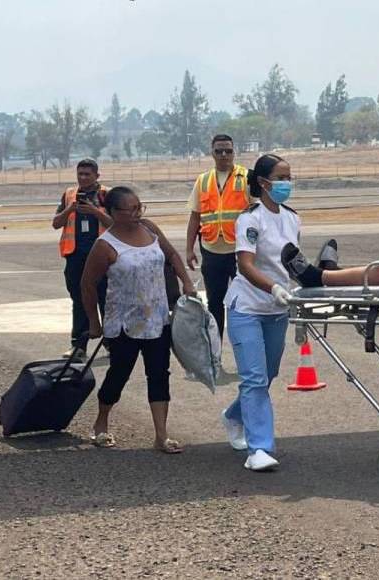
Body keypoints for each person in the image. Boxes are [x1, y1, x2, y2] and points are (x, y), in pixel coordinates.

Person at [81, 186, 196, 453]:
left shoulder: (150, 229)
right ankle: (101, 421)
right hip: (124, 324)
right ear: (111, 212)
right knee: (119, 374)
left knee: (159, 374)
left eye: (139, 207)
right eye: (129, 209)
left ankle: (161, 435)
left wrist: (187, 282)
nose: (136, 214)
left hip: (157, 319)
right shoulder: (105, 246)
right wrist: (93, 322)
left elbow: (172, 255)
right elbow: (87, 284)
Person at [220, 154, 301, 472]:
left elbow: (294, 263)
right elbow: (246, 264)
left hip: (276, 308)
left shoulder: (293, 218)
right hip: (248, 307)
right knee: (253, 378)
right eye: (281, 178)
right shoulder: (249, 219)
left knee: (267, 376)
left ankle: (233, 415)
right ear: (264, 182)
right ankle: (259, 449)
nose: (287, 183)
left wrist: (305, 285)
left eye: (290, 177)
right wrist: (273, 289)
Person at [185, 134, 250, 338]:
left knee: (244, 301)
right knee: (215, 303)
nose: (224, 155)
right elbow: (195, 217)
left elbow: (258, 214)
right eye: (219, 151)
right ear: (212, 153)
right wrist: (189, 249)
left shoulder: (247, 177)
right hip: (212, 251)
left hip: (240, 252)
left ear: (234, 152)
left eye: (228, 151)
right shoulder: (203, 181)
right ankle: (215, 352)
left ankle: (244, 348)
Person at [52, 159, 111, 362]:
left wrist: (95, 211)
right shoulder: (69, 195)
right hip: (75, 256)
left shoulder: (107, 195)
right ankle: (79, 345)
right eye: (80, 174)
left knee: (106, 299)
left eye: (87, 174)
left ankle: (111, 343)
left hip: (102, 257)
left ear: (97, 176)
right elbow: (55, 223)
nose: (83, 178)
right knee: (79, 300)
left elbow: (118, 224)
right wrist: (70, 209)